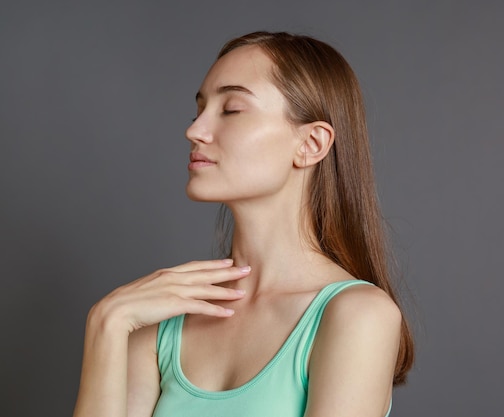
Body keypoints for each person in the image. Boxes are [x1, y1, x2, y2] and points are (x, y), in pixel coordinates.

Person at [72, 31, 414, 417]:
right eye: (198, 111)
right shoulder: (160, 318)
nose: (195, 130)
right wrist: (107, 323)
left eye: (231, 109)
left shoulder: (357, 316)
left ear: (311, 144)